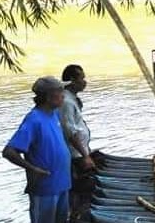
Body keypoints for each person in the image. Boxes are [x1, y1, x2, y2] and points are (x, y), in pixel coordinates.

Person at [2, 76, 72, 223]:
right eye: (60, 91)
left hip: (62, 183)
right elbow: (9, 151)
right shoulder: (34, 119)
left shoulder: (54, 115)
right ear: (48, 97)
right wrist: (32, 168)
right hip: (45, 188)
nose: (63, 95)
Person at [59, 65, 95, 222]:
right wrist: (85, 155)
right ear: (73, 80)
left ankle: (77, 214)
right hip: (75, 155)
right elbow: (69, 131)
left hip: (80, 152)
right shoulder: (66, 102)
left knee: (82, 189)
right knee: (81, 189)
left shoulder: (71, 98)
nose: (84, 81)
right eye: (82, 78)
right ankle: (77, 217)